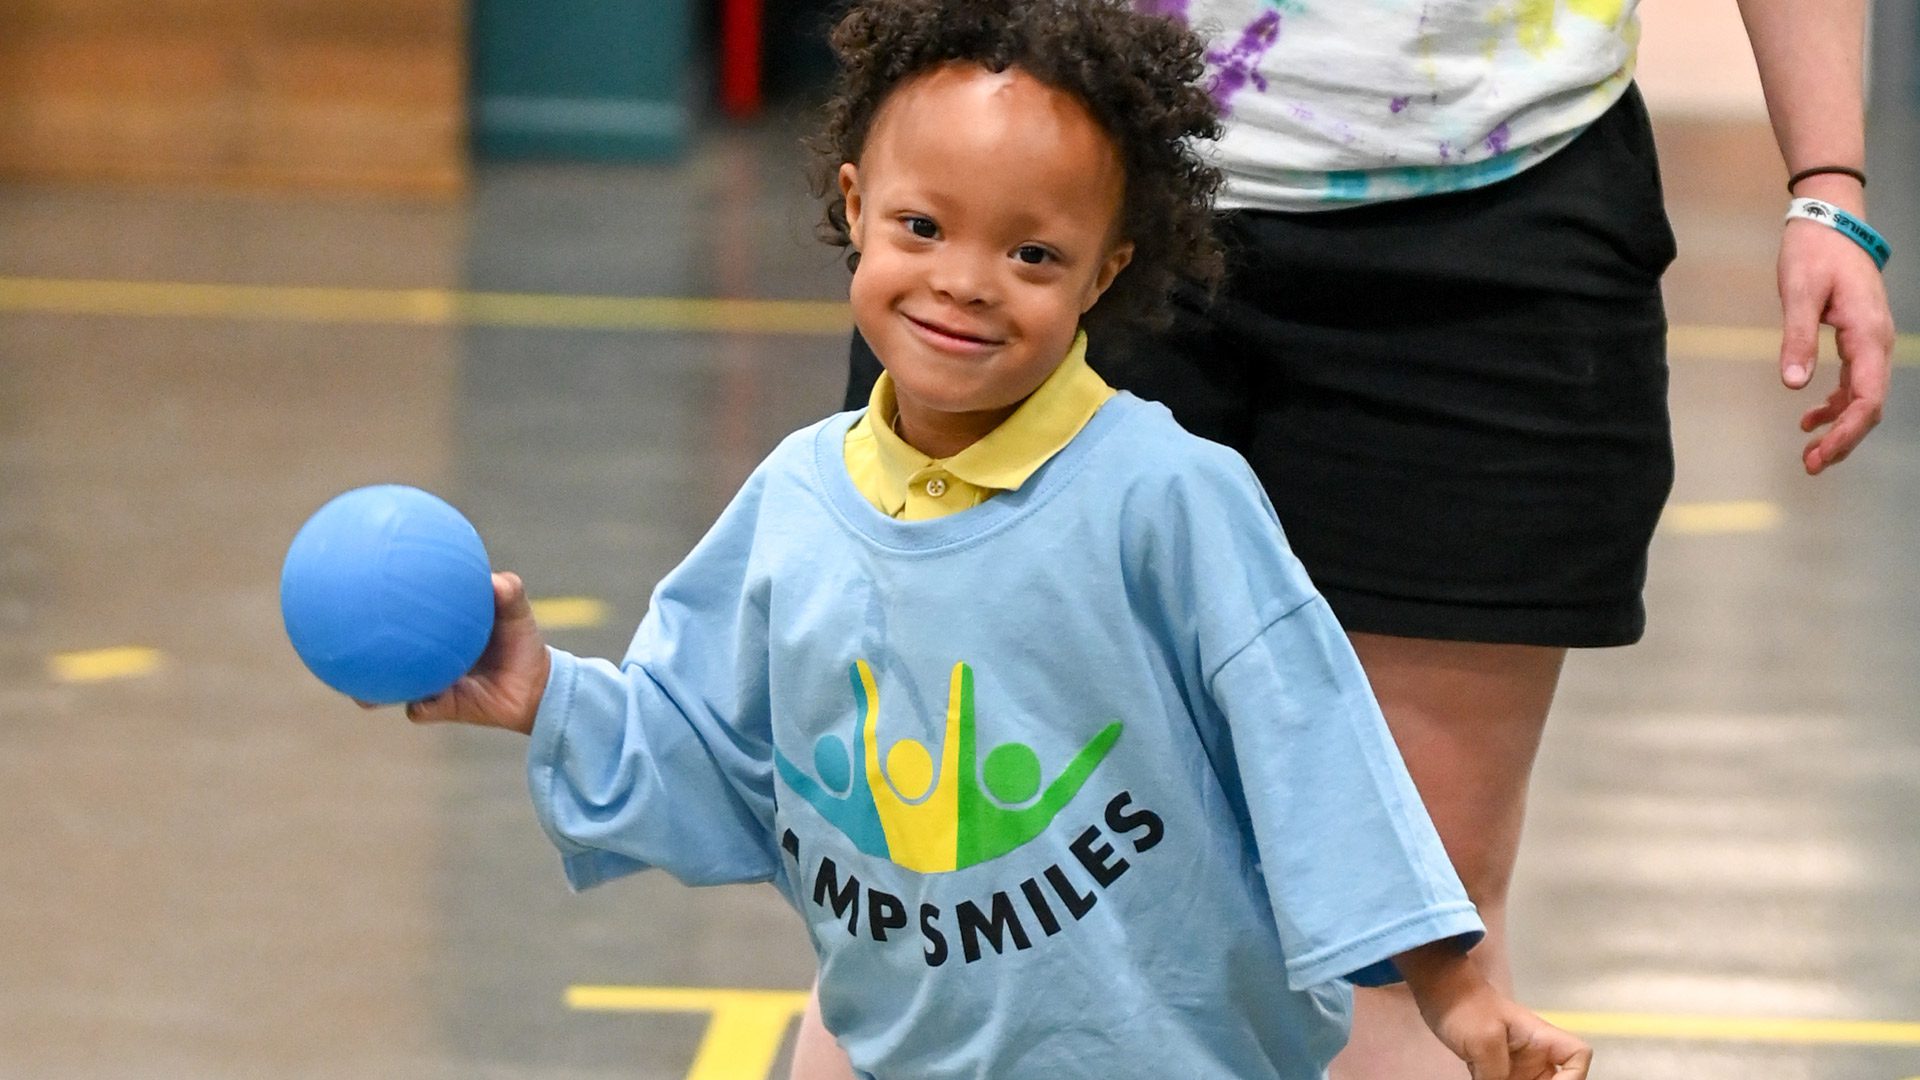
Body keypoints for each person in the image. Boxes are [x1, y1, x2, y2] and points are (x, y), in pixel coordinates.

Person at [391, 1, 1594, 1076]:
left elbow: (1319, 752)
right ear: (856, 207)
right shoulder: (799, 495)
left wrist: (1457, 985)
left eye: (1031, 254)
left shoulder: (1167, 496)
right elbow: (701, 738)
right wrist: (543, 695)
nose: (965, 282)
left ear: (1103, 272)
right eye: (922, 225)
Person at [802, 0, 1896, 1076]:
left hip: (1492, 205)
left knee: (1415, 917)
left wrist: (1826, 184)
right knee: (942, 872)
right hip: (1040, 179)